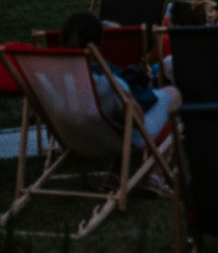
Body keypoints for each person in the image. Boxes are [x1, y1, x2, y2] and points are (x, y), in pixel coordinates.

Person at [60, 12, 181, 157]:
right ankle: (157, 174)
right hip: (115, 138)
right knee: (173, 94)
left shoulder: (56, 79)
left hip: (75, 137)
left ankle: (115, 174)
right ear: (100, 43)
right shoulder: (108, 83)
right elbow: (137, 121)